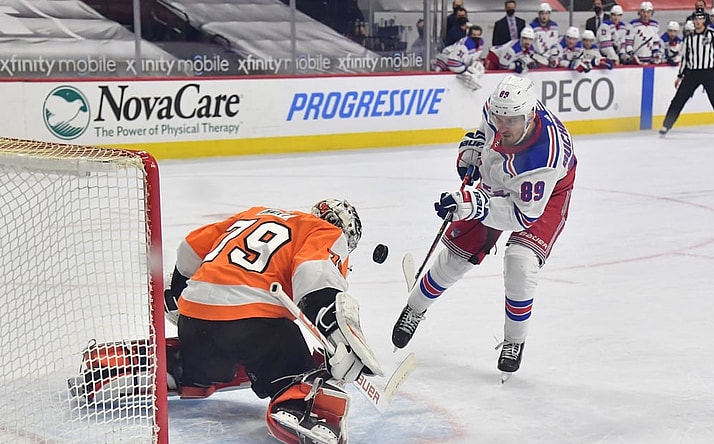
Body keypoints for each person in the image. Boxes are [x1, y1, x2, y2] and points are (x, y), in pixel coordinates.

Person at [391, 74, 577, 380]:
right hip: (503, 179)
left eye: (511, 121)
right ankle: (415, 307)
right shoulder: (503, 110)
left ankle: (514, 341)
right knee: (455, 258)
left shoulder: (546, 157)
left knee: (521, 262)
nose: (502, 127)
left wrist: (473, 204)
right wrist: (473, 153)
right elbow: (486, 134)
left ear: (530, 116)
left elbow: (521, 215)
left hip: (543, 194)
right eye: (498, 118)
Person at [164, 199, 382, 443]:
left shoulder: (254, 214)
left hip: (193, 321)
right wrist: (341, 340)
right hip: (251, 327)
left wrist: (178, 293)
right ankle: (299, 405)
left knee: (216, 355)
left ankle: (183, 366)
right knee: (294, 366)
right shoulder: (326, 232)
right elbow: (314, 277)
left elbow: (189, 249)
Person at [659, 8, 714, 137]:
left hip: (708, 73)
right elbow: (685, 58)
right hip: (692, 74)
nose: (697, 21)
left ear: (704, 20)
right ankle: (666, 125)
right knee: (678, 99)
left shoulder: (712, 34)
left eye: (700, 18)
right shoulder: (689, 38)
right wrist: (680, 75)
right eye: (695, 19)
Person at [435, 24, 486, 89]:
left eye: (478, 35)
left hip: (459, 62)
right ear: (469, 35)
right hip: (446, 59)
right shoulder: (465, 43)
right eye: (474, 35)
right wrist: (464, 71)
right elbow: (454, 58)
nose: (476, 37)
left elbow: (474, 56)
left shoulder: (480, 42)